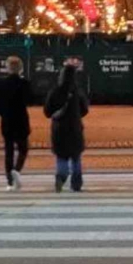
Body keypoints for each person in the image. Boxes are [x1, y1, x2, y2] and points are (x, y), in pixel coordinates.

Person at [44, 62, 89, 192]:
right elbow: (85, 110)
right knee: (76, 157)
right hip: (75, 128)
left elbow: (47, 112)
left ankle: (61, 177)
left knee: (61, 157)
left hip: (59, 129)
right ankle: (76, 183)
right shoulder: (78, 92)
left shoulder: (55, 91)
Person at [0, 55, 31, 191]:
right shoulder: (25, 83)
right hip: (21, 120)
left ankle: (9, 182)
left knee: (9, 151)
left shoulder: (2, 84)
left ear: (8, 68)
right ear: (20, 68)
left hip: (7, 121)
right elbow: (30, 100)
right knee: (23, 148)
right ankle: (16, 170)